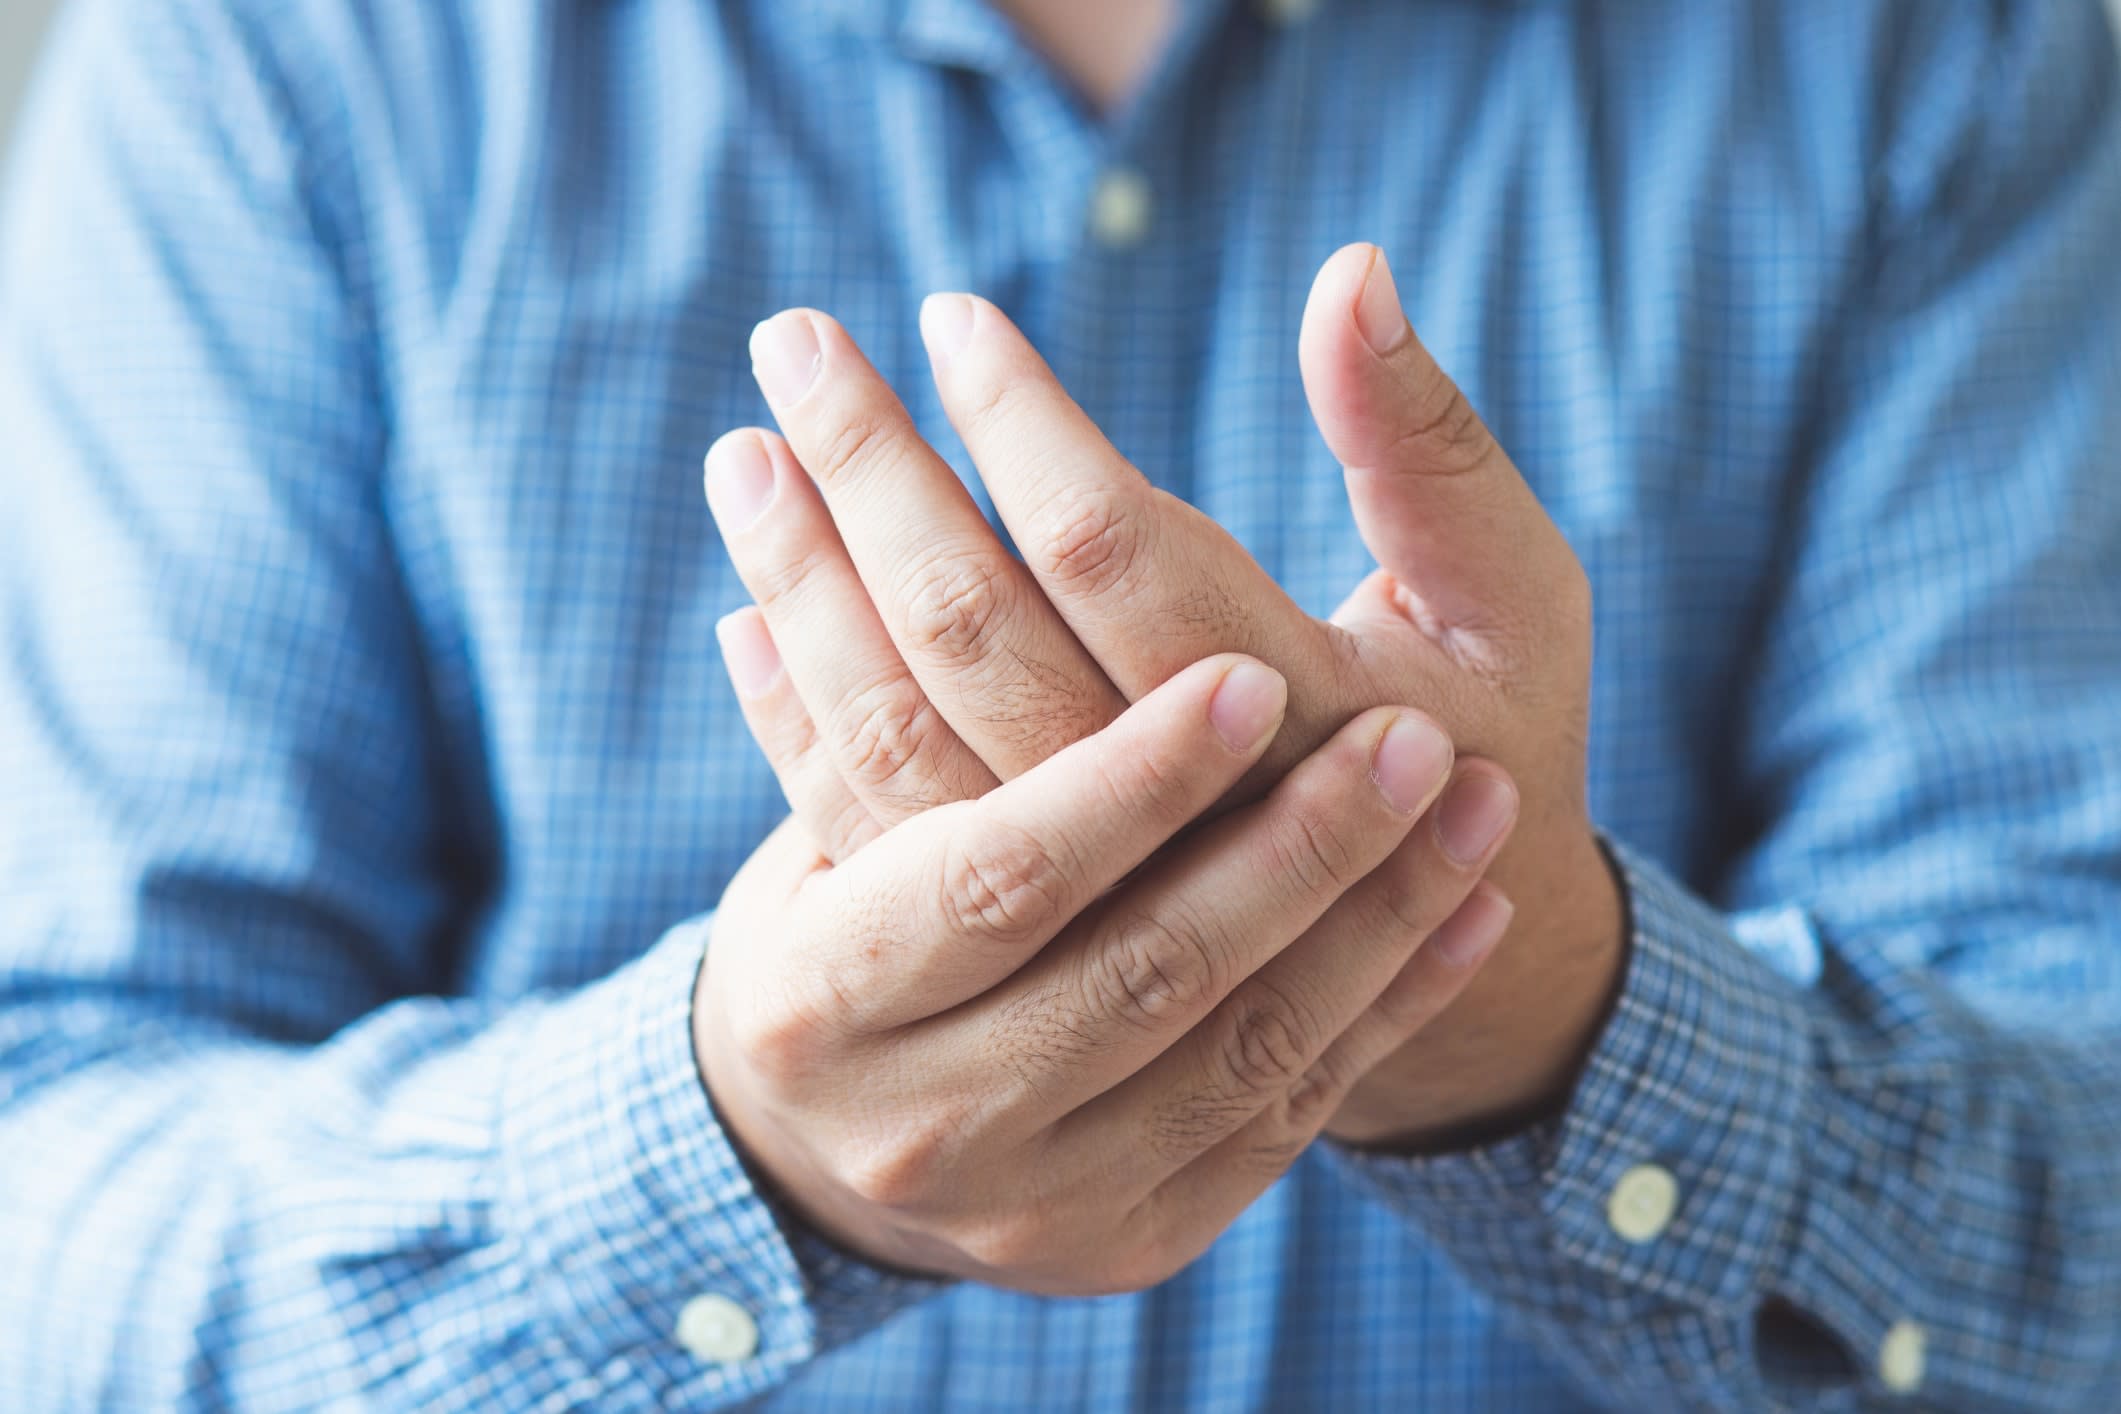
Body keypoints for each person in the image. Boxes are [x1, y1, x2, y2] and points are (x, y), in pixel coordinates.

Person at [1, 0, 2117, 1407]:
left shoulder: (1934, 59)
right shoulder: (279, 60)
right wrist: (721, 1143)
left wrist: (1534, 1012)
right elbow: (53, 1175)